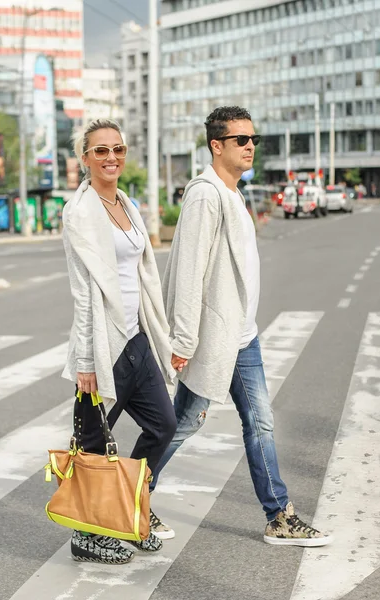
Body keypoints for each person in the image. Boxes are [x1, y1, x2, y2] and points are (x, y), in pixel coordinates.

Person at [149, 106, 332, 547]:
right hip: (212, 337)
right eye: (240, 140)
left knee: (260, 422)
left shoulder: (234, 193)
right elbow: (189, 271)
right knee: (186, 423)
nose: (250, 146)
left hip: (241, 336)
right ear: (217, 145)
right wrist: (185, 341)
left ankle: (279, 516)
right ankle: (128, 494)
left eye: (254, 139)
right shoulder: (205, 195)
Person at [62, 118, 178, 565]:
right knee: (91, 444)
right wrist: (87, 361)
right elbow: (83, 293)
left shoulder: (126, 203)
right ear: (85, 158)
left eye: (118, 149)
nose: (111, 157)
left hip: (136, 337)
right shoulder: (80, 213)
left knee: (162, 425)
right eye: (100, 151)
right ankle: (87, 535)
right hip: (104, 346)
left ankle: (128, 511)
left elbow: (141, 274)